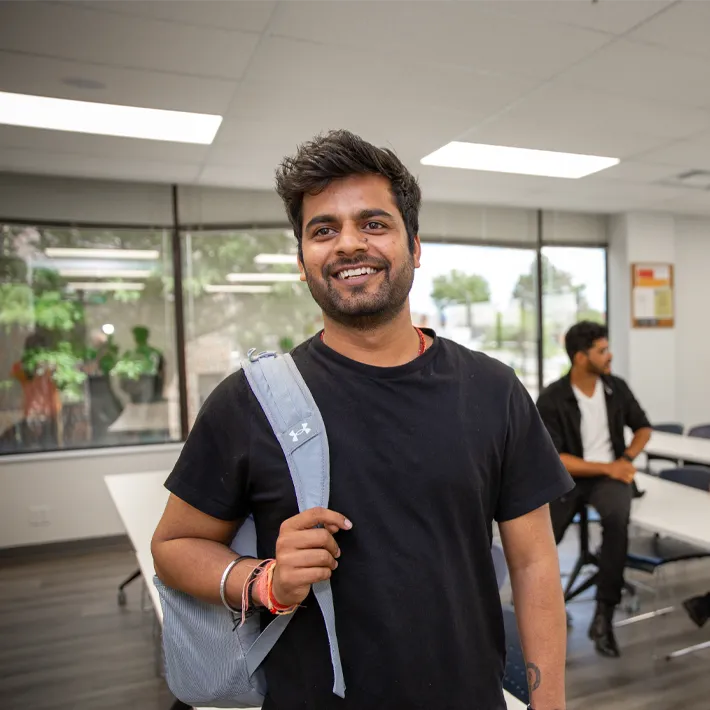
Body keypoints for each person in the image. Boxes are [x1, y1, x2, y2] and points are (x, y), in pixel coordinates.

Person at [152, 130, 573, 710]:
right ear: (302, 261)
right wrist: (265, 580)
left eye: (374, 223)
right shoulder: (249, 401)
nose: (349, 243)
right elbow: (174, 545)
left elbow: (533, 563)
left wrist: (549, 705)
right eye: (323, 230)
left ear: (415, 246)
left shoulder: (492, 389)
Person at [537, 321, 652, 658]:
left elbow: (643, 426)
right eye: (601, 350)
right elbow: (555, 458)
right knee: (542, 534)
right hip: (568, 479)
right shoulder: (553, 397)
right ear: (580, 357)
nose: (609, 355)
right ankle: (540, 605)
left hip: (608, 480)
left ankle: (604, 614)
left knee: (618, 519)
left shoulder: (616, 388)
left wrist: (627, 457)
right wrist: (610, 466)